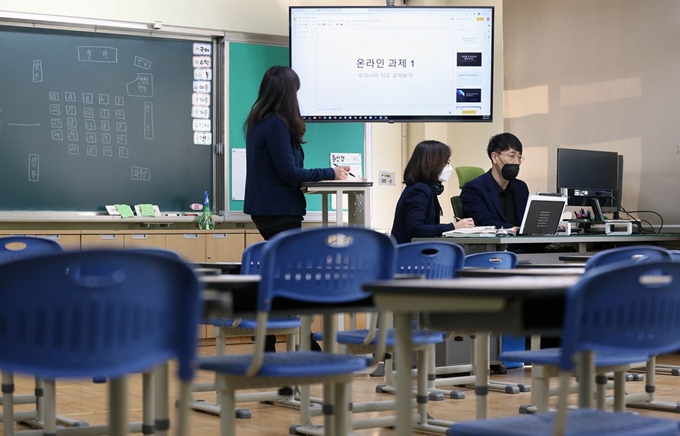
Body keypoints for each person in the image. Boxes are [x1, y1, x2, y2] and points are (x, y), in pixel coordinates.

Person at [243, 65, 351, 352]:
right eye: (296, 91)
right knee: (289, 278)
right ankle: (297, 342)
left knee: (281, 276)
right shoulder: (276, 124)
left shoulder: (257, 121)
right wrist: (331, 172)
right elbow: (289, 173)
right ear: (288, 93)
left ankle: (277, 342)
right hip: (279, 210)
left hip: (266, 209)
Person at [391, 140, 475, 244]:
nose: (449, 168)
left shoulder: (426, 189)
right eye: (446, 162)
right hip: (410, 255)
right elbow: (415, 229)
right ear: (432, 163)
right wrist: (453, 227)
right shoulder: (419, 190)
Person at [460, 133, 529, 233]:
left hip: (523, 245)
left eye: (519, 157)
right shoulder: (473, 189)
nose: (517, 162)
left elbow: (526, 220)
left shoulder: (521, 187)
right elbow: (483, 222)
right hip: (495, 246)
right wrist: (513, 230)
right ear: (495, 157)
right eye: (512, 156)